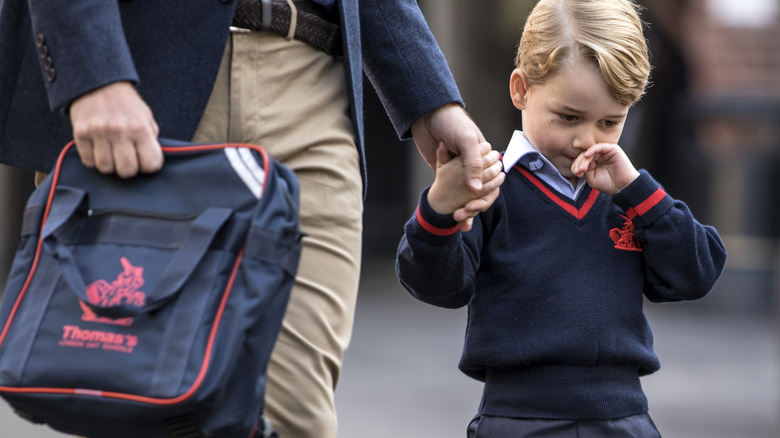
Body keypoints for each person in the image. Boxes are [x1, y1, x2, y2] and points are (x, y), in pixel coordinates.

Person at [0, 0, 503, 437]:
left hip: (308, 84)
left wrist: (429, 95)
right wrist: (93, 71)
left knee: (293, 418)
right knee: (131, 404)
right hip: (141, 83)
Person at [395, 0, 728, 436]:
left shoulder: (630, 196)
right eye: (569, 117)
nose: (586, 139)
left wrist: (639, 192)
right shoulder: (492, 187)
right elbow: (437, 285)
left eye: (610, 122)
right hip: (516, 419)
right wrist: (440, 207)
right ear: (521, 90)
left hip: (623, 419)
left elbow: (695, 274)